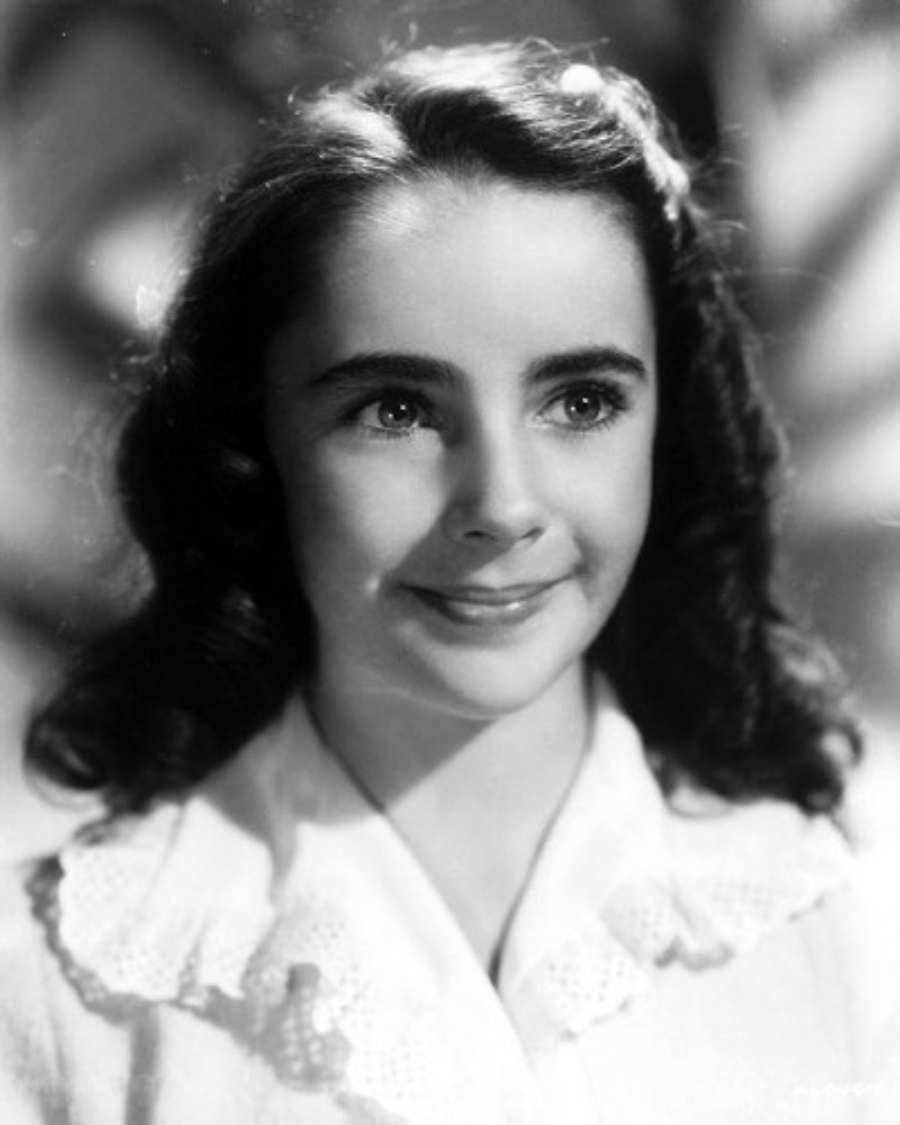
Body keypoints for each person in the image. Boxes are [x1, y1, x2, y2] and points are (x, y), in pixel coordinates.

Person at [0, 40, 896, 1125]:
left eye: (580, 402)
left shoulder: (850, 932)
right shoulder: (61, 983)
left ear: (670, 424)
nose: (504, 504)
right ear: (256, 443)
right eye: (397, 411)